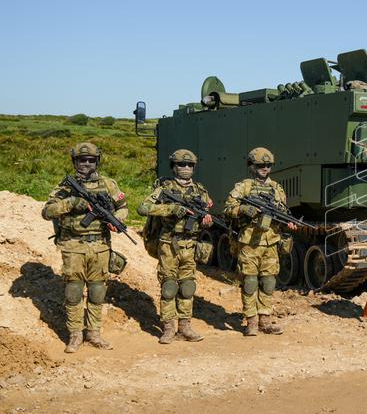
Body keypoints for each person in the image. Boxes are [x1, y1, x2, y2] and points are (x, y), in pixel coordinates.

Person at [41, 142, 128, 353]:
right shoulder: (65, 188)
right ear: (75, 161)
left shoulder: (108, 184)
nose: (86, 164)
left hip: (100, 245)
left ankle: (94, 333)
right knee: (74, 291)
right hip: (73, 246)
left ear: (96, 161)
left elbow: (123, 208)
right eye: (82, 160)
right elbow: (47, 212)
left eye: (90, 160)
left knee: (98, 290)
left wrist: (115, 220)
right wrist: (71, 203)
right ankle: (75, 335)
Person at [137, 149, 212, 344]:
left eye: (189, 165)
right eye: (181, 164)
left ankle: (185, 327)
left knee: (187, 287)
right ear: (174, 167)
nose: (185, 168)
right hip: (168, 244)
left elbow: (205, 215)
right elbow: (143, 208)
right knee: (169, 286)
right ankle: (169, 328)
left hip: (191, 244)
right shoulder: (164, 188)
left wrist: (206, 221)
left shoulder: (200, 191)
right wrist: (171, 209)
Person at [224, 147, 296, 336]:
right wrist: (243, 210)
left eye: (268, 165)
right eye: (260, 165)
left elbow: (283, 212)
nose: (265, 169)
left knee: (269, 282)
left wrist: (288, 223)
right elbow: (228, 208)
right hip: (249, 242)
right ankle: (252, 321)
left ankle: (265, 319)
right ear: (251, 166)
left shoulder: (276, 188)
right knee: (249, 282)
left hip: (271, 241)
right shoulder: (243, 186)